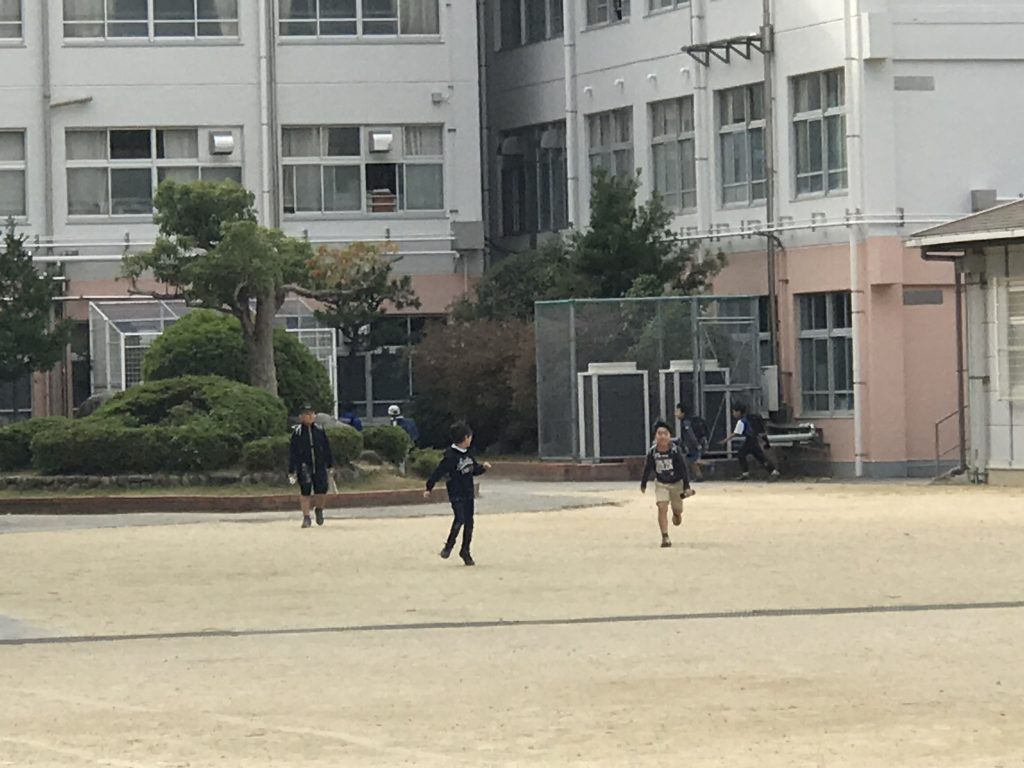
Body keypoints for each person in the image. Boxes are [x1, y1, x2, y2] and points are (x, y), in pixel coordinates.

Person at [424, 422, 491, 566]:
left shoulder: (468, 454)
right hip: (456, 493)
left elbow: (473, 470)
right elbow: (439, 471)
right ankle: (449, 546)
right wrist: (429, 487)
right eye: (470, 437)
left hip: (468, 492)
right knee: (459, 518)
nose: (471, 440)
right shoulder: (450, 456)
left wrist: (483, 468)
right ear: (465, 438)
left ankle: (465, 550)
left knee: (469, 522)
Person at [641, 420, 690, 548]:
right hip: (661, 483)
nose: (662, 436)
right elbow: (648, 467)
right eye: (659, 433)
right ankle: (665, 536)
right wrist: (643, 482)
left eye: (665, 433)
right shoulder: (652, 452)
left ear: (670, 436)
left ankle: (677, 514)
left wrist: (686, 486)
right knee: (662, 507)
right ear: (655, 436)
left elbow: (683, 468)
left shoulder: (675, 451)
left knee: (677, 509)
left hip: (676, 483)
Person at [289, 403, 335, 528]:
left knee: (322, 490)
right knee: (305, 490)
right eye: (306, 414)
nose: (309, 416)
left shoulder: (320, 430)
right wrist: (292, 469)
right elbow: (293, 452)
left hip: (319, 464)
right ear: (301, 417)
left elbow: (327, 448)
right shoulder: (297, 432)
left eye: (311, 414)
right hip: (304, 465)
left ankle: (319, 509)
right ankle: (306, 517)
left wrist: (330, 465)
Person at [722, 403, 780, 481]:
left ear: (738, 412)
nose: (733, 414)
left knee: (743, 454)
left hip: (750, 441)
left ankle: (747, 473)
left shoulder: (741, 421)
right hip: (753, 440)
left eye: (734, 412)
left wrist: (725, 440)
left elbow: (735, 433)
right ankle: (773, 472)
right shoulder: (749, 419)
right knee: (758, 457)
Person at [674, 402, 707, 483]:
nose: (675, 413)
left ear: (683, 412)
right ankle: (699, 476)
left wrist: (696, 444)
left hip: (693, 445)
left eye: (677, 411)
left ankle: (709, 465)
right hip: (693, 444)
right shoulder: (688, 421)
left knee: (692, 461)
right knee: (692, 461)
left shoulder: (686, 422)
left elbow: (690, 434)